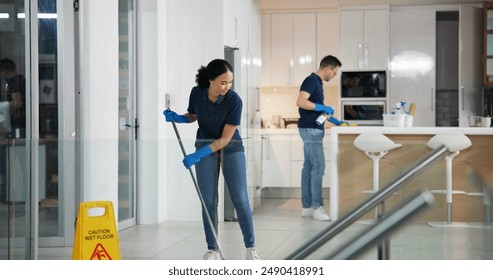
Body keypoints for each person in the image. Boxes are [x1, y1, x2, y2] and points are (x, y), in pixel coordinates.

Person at [163, 59, 260, 260]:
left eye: (230, 82)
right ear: (211, 81)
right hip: (205, 142)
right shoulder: (197, 92)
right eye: (223, 82)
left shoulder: (234, 100)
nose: (227, 87)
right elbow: (193, 115)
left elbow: (225, 139)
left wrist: (198, 154)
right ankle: (212, 249)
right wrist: (178, 118)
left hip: (230, 148)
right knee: (208, 200)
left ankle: (251, 249)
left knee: (240, 198)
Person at [296, 55, 342, 221]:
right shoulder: (312, 80)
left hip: (310, 129)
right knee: (319, 167)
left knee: (309, 167)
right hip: (310, 131)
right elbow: (301, 102)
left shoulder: (316, 83)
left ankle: (307, 207)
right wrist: (323, 106)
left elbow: (316, 110)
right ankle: (317, 207)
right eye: (335, 72)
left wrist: (337, 121)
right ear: (328, 68)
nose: (335, 75)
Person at [0, 58, 26, 138]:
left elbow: (17, 102)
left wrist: (2, 105)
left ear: (5, 71)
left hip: (18, 122)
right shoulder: (21, 79)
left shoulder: (13, 82)